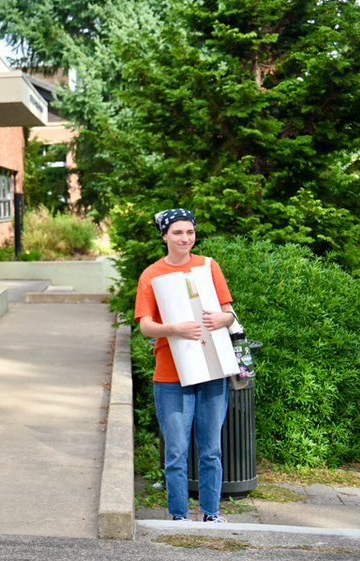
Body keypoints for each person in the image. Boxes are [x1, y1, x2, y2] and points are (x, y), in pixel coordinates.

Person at [134, 208, 237, 523]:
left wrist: (223, 318)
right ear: (165, 236)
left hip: (211, 368)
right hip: (171, 375)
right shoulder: (151, 275)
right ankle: (179, 517)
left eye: (189, 232)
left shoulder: (208, 266)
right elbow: (145, 326)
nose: (185, 238)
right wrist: (174, 329)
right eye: (177, 232)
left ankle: (211, 514)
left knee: (211, 451)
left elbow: (228, 313)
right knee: (176, 453)